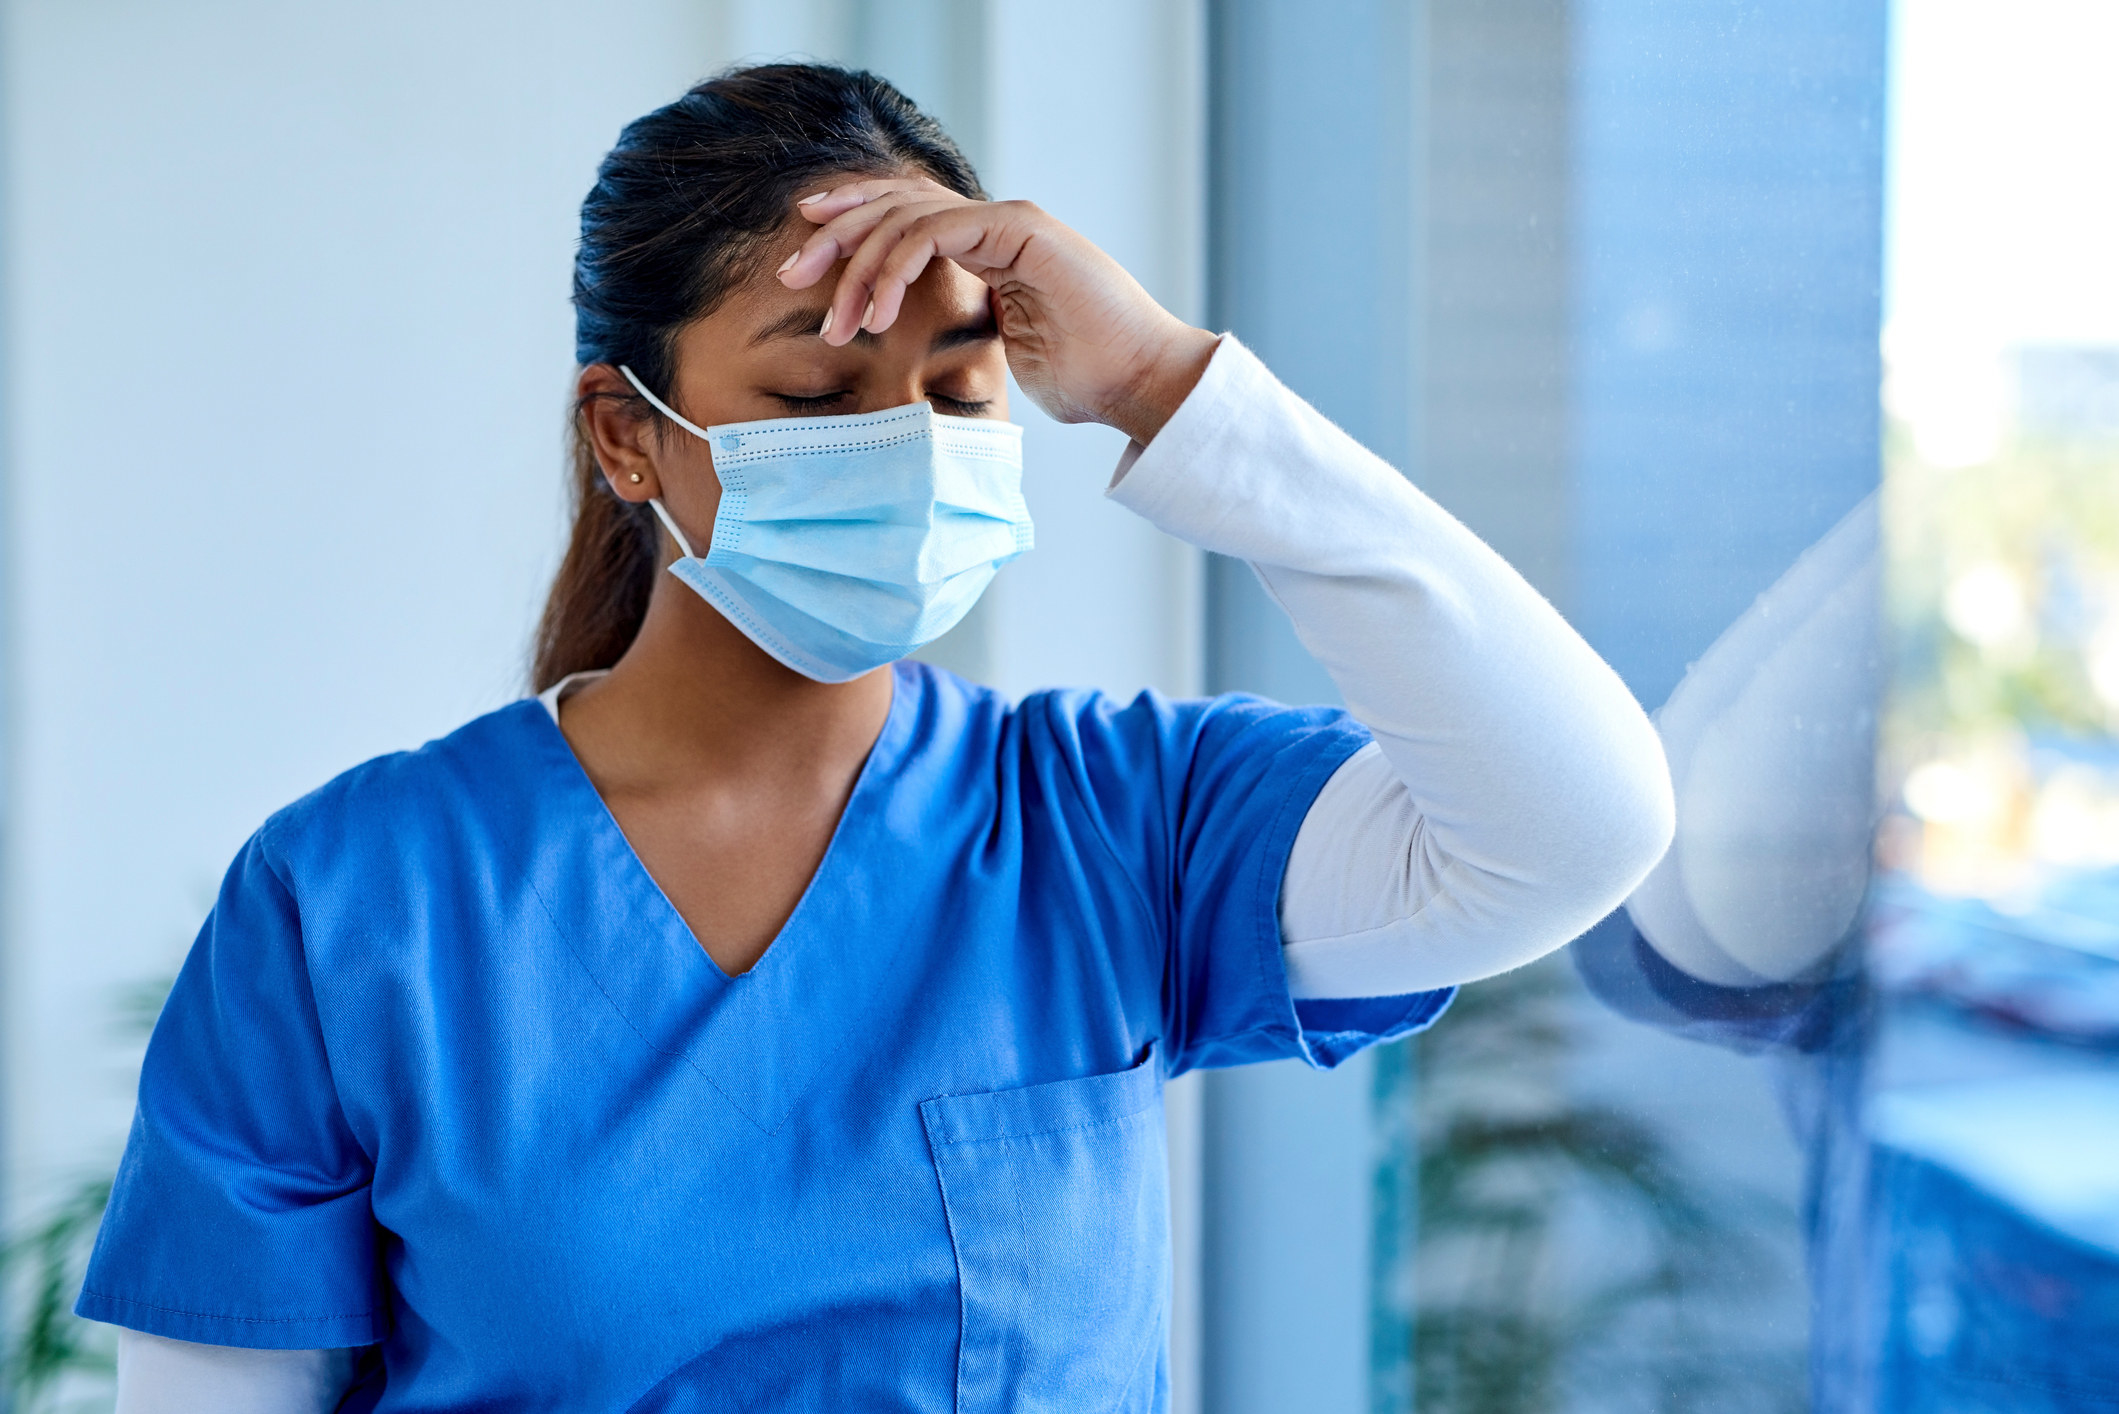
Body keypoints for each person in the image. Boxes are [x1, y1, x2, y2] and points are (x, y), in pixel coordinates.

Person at [77, 64, 1673, 1413]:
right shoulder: (350, 901)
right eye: (822, 391)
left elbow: (1579, 822)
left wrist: (1157, 382)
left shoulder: (1118, 821)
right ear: (631, 436)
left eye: (958, 384)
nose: (907, 449)